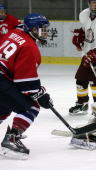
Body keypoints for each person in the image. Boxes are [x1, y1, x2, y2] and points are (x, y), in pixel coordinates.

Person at [0, 13, 53, 159]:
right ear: (32, 29)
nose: (45, 32)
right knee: (32, 106)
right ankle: (12, 138)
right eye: (41, 29)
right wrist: (41, 95)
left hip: (3, 76)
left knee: (4, 107)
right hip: (2, 80)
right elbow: (25, 84)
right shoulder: (30, 47)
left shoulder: (15, 32)